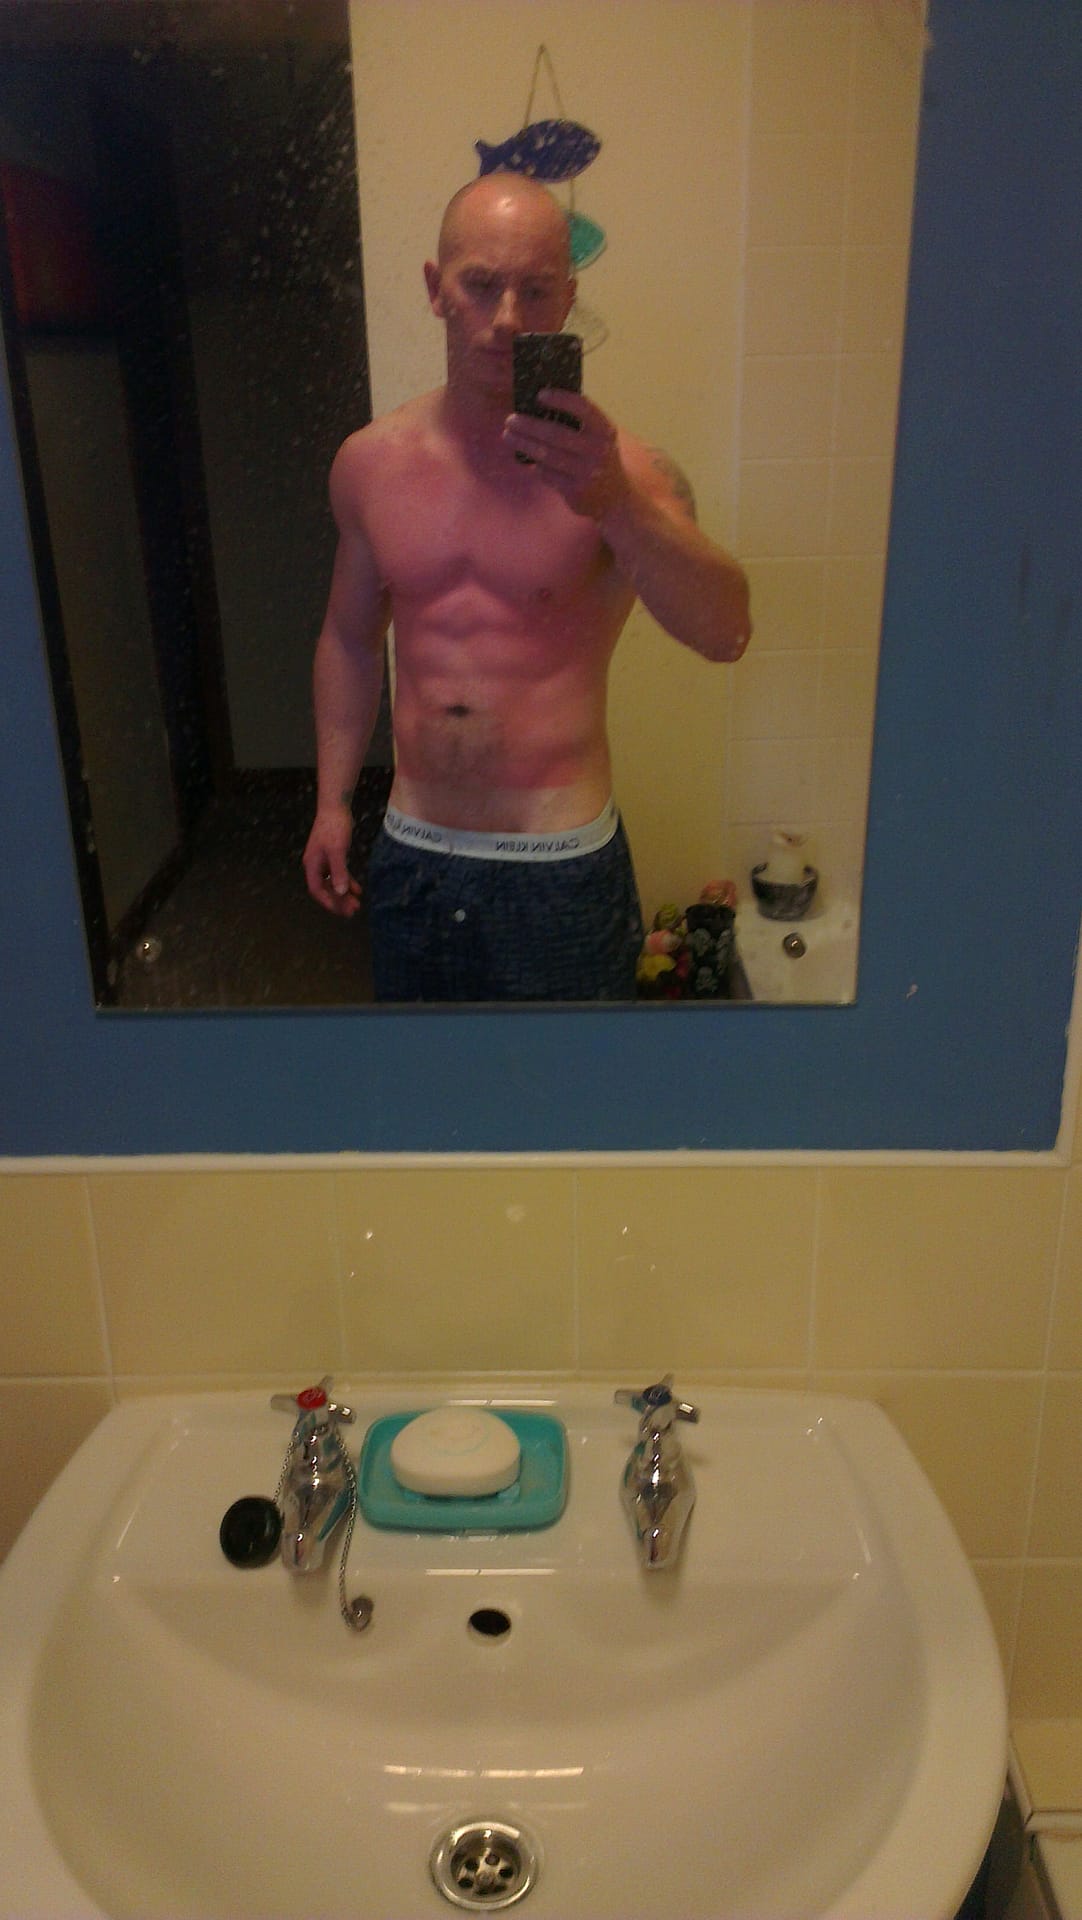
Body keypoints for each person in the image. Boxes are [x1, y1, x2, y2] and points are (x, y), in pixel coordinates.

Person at [302, 172, 751, 1001]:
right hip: (414, 853)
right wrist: (333, 802)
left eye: (536, 290)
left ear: (568, 300)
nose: (507, 317)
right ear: (436, 289)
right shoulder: (370, 465)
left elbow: (726, 631)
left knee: (572, 1090)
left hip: (560, 866)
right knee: (424, 1084)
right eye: (481, 284)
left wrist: (614, 503)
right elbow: (349, 639)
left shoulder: (627, 471)